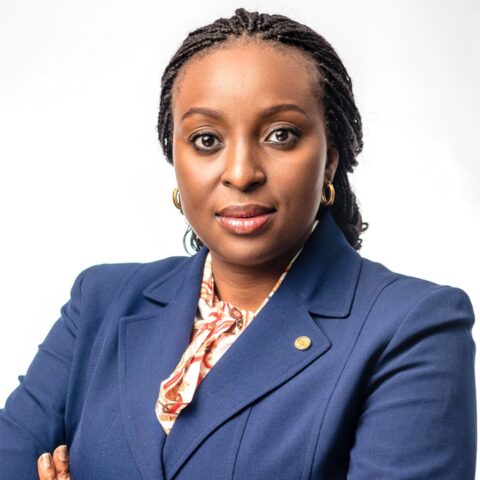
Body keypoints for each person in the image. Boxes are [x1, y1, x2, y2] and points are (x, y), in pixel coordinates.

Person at [0, 7, 476, 480]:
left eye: (281, 135)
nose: (242, 173)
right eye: (207, 140)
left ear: (329, 160)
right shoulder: (100, 301)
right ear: (175, 159)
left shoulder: (414, 327)